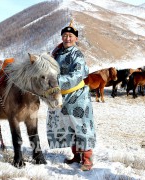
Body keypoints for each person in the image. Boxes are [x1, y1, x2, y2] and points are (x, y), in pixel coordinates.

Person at [46, 20, 96, 171]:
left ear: (76, 38)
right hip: (62, 96)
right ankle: (76, 155)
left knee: (82, 126)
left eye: (70, 36)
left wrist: (56, 81)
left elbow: (77, 74)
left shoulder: (77, 54)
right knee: (69, 126)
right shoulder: (57, 53)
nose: (67, 38)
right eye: (65, 35)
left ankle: (87, 158)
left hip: (77, 96)